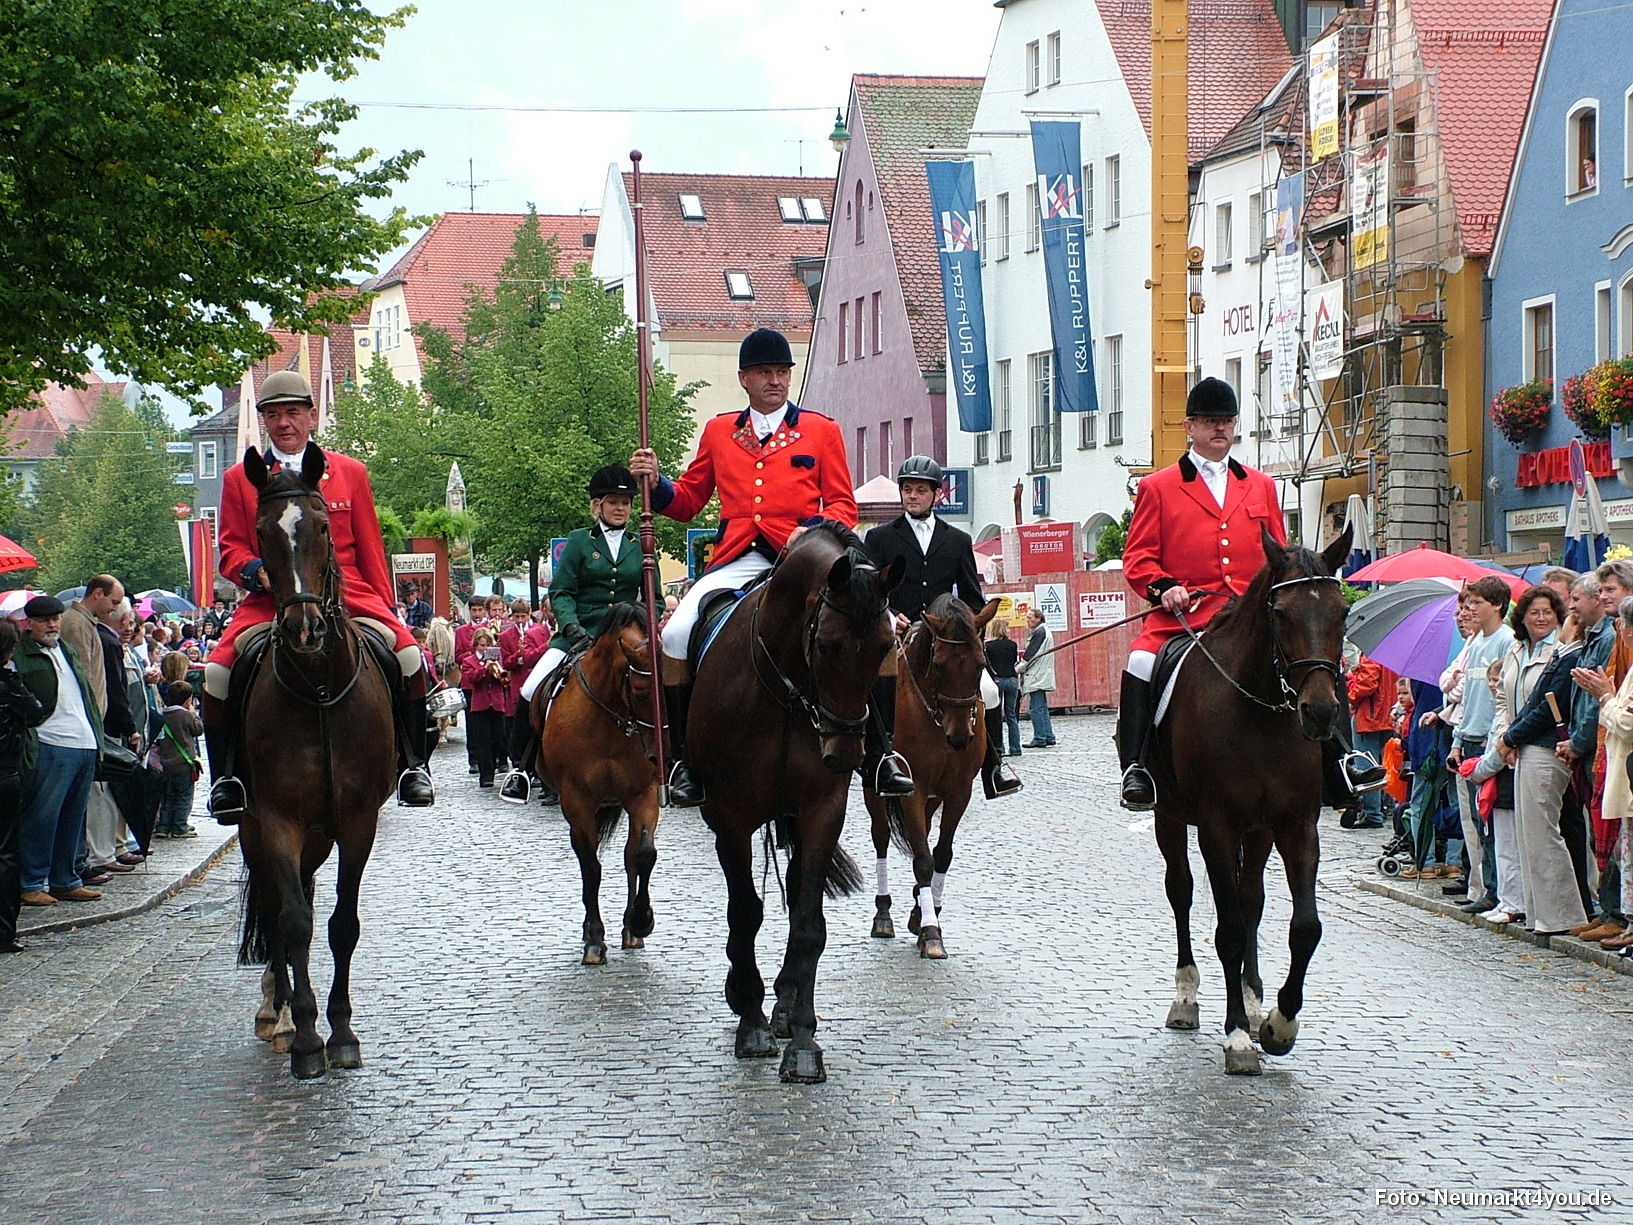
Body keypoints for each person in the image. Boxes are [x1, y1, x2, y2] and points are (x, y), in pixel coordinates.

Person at [1116, 376, 1383, 810]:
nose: (1219, 428)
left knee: (1315, 658)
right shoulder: (1157, 486)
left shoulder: (1261, 485)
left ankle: (1341, 758)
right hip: (1186, 615)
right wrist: (1164, 587)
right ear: (1189, 427)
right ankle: (1137, 766)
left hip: (1253, 616)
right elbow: (1138, 557)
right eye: (1209, 421)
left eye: (1227, 420)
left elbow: (1281, 554)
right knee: (1141, 662)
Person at [629, 327, 857, 806]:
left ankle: (880, 751)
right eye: (764, 373)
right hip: (737, 555)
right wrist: (656, 482)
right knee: (675, 635)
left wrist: (810, 530)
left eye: (782, 372)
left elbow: (843, 506)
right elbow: (688, 501)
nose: (775, 380)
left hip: (801, 559)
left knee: (868, 628)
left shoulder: (822, 430)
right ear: (743, 379)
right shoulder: (719, 431)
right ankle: (684, 758)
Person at [202, 369, 434, 816]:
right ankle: (226, 779)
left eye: (293, 412)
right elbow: (230, 549)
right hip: (272, 599)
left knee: (408, 658)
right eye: (273, 415)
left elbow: (369, 547)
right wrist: (256, 571)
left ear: (312, 416)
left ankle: (412, 765)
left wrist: (388, 608)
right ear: (264, 420)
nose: (284, 423)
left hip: (349, 593)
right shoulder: (240, 478)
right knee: (216, 675)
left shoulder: (350, 472)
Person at [863, 455, 1019, 800]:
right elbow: (870, 590)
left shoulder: (957, 540)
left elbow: (973, 597)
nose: (912, 496)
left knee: (990, 691)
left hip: (946, 638)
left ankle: (994, 768)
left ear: (937, 494)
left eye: (920, 490)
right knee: (876, 686)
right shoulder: (880, 537)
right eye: (907, 489)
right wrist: (890, 615)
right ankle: (879, 760)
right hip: (898, 633)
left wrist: (967, 632)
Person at [505, 465, 645, 803]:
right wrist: (571, 627)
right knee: (530, 688)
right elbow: (561, 591)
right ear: (598, 505)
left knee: (661, 681)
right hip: (579, 633)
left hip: (627, 637)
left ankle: (674, 759)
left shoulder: (640, 543)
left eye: (626, 503)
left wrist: (646, 628)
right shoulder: (580, 541)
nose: (620, 508)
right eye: (613, 502)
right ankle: (520, 768)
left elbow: (651, 597)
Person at [1493, 583, 1589, 936]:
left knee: (1545, 833)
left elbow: (1548, 706)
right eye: (1534, 612)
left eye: (1550, 612)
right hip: (1524, 743)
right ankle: (1541, 913)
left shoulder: (1566, 655)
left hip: (1546, 745)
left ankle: (1562, 914)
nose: (1543, 618)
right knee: (1528, 836)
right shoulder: (1520, 650)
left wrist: (1512, 736)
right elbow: (1521, 699)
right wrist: (1509, 735)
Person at [13, 595, 105, 907]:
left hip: (82, 741)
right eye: (44, 620)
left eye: (55, 619)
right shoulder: (22, 653)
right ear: (30, 623)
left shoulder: (65, 648)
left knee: (73, 818)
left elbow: (83, 691)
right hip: (51, 741)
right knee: (42, 817)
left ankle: (66, 879)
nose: (52, 625)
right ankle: (31, 881)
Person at [0, 620, 46, 952]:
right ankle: (3, 932)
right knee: (5, 852)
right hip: (4, 773)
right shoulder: (9, 684)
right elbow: (35, 712)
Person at [459, 627, 508, 788]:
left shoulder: (497, 659)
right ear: (475, 645)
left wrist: (500, 672)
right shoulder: (469, 661)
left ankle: (493, 764)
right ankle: (486, 775)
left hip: (497, 703)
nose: (485, 648)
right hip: (480, 705)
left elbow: (504, 679)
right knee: (484, 741)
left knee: (498, 740)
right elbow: (471, 679)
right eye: (482, 645)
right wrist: (485, 668)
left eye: (487, 645)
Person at [153, 680, 203, 839]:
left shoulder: (163, 714)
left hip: (166, 764)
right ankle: (180, 826)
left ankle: (163, 826)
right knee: (184, 796)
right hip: (184, 764)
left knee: (168, 797)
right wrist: (193, 714)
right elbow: (198, 729)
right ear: (188, 700)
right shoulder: (185, 715)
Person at [1019, 608, 1057, 748]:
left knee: (1035, 708)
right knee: (1041, 707)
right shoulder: (1043, 631)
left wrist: (1019, 667)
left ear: (1039, 618)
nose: (1028, 621)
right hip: (1041, 673)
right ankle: (1048, 736)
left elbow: (1031, 653)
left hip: (1036, 674)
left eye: (1030, 618)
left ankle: (1040, 737)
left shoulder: (1039, 632)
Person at [985, 617, 1023, 758]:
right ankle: (1016, 748)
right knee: (1011, 715)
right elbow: (1013, 661)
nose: (1008, 630)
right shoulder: (1012, 645)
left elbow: (988, 665)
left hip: (997, 680)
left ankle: (999, 747)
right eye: (1007, 628)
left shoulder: (988, 646)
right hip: (1012, 680)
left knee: (997, 716)